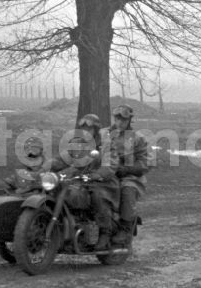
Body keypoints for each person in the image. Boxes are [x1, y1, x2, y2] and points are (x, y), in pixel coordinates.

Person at [53, 114, 120, 246]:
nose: (85, 132)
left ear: (95, 129)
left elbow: (110, 165)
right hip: (82, 179)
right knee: (56, 188)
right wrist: (46, 167)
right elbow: (63, 159)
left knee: (97, 196)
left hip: (104, 182)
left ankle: (105, 231)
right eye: (82, 128)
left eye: (89, 129)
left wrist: (95, 175)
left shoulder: (106, 143)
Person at [106, 104, 150, 246]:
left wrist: (126, 169)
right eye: (117, 119)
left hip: (130, 176)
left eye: (123, 120)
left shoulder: (138, 138)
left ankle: (125, 228)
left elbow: (146, 163)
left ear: (129, 121)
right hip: (106, 173)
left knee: (127, 189)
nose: (119, 123)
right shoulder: (104, 134)